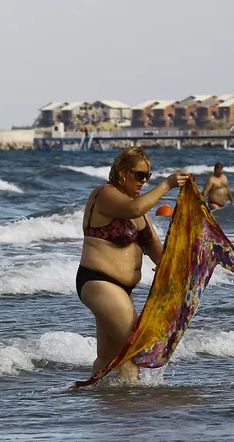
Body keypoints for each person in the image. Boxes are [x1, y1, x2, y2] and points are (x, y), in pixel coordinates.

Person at [78, 146, 190, 381]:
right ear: (122, 172)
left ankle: (95, 401)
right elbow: (133, 208)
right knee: (133, 348)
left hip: (123, 290)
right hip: (98, 281)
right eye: (139, 175)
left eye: (147, 176)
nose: (144, 181)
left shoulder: (142, 210)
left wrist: (181, 267)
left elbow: (156, 250)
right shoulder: (104, 194)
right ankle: (136, 409)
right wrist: (167, 184)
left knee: (108, 357)